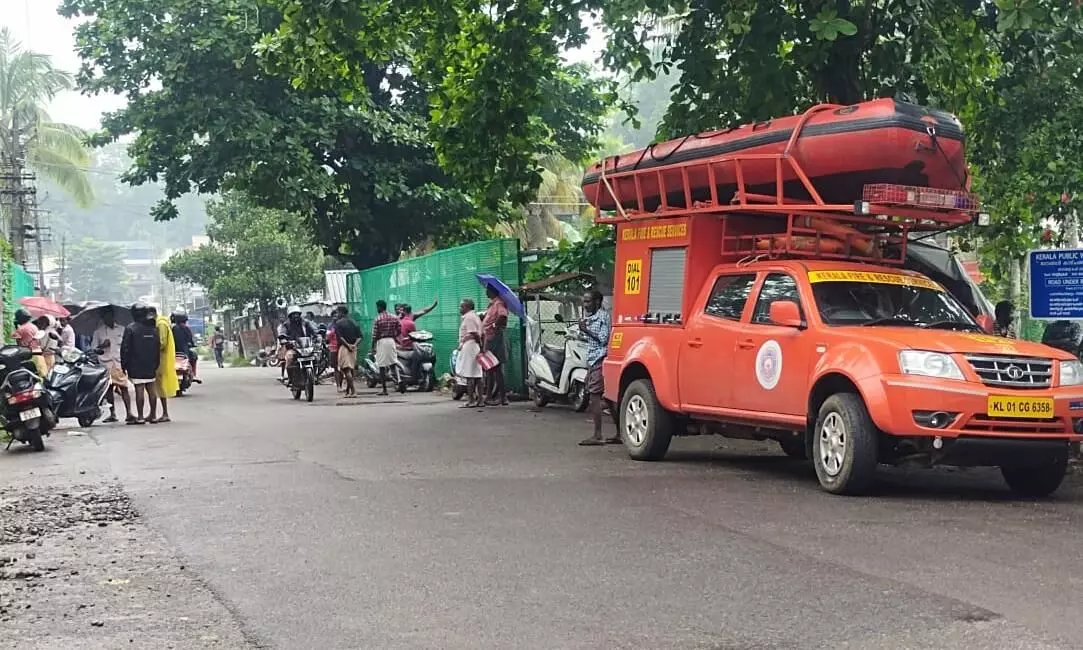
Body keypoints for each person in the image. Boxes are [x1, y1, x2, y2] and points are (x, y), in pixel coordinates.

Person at [577, 290, 618, 446]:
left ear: (598, 302)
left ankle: (598, 435)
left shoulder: (603, 316)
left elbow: (603, 339)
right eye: (584, 301)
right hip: (594, 359)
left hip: (600, 358)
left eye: (588, 301)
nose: (585, 305)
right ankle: (620, 434)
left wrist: (585, 330)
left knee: (595, 396)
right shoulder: (592, 317)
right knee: (608, 398)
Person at [91, 306, 133, 423]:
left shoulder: (122, 329)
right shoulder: (98, 332)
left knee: (124, 387)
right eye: (105, 316)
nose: (107, 318)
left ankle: (129, 412)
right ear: (102, 318)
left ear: (113, 316)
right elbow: (93, 349)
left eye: (109, 316)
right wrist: (102, 346)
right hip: (106, 364)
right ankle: (112, 413)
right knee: (109, 390)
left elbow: (127, 347)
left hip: (119, 363)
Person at [120, 304, 161, 425]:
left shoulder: (131, 328)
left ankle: (141, 416)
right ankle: (153, 415)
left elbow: (125, 348)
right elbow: (157, 347)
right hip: (150, 363)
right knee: (151, 388)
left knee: (140, 388)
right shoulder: (153, 328)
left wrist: (124, 364)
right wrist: (156, 363)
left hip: (135, 363)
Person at [396, 299, 438, 383]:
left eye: (400, 309)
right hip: (403, 346)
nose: (399, 311)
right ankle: (412, 377)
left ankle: (420, 376)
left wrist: (433, 306)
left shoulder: (410, 317)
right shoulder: (397, 319)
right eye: (398, 309)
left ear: (404, 311)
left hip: (412, 345)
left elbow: (424, 311)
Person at [481, 284, 509, 406]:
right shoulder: (492, 304)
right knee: (491, 368)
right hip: (490, 337)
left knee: (494, 367)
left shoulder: (498, 304)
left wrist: (493, 326)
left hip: (494, 338)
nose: (486, 293)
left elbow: (503, 316)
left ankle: (499, 397)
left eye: (488, 290)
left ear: (493, 292)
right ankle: (493, 396)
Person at [150, 306, 178, 422]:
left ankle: (164, 413)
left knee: (159, 386)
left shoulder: (161, 324)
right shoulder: (161, 323)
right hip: (159, 359)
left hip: (161, 359)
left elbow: (162, 343)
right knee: (156, 386)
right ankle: (153, 413)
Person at [277, 306, 318, 384]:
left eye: (297, 314)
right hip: (293, 347)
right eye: (293, 314)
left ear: (299, 314)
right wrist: (284, 340)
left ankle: (314, 375)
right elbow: (282, 334)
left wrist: (317, 337)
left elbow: (314, 331)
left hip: (306, 346)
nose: (295, 316)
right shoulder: (286, 325)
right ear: (290, 316)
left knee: (315, 357)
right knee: (289, 358)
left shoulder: (306, 322)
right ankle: (290, 378)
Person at [455, 298, 484, 407]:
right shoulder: (474, 316)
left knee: (470, 375)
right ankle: (480, 400)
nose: (460, 308)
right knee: (477, 374)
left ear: (467, 307)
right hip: (473, 346)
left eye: (462, 306)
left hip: (470, 346)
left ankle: (471, 400)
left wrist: (479, 342)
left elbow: (474, 333)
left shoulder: (469, 318)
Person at [371, 300, 401, 395]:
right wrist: (394, 336)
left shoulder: (378, 319)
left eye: (377, 307)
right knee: (393, 363)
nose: (376, 309)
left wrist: (373, 347)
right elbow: (399, 329)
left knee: (382, 366)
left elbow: (374, 335)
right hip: (391, 341)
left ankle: (384, 390)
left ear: (380, 307)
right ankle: (399, 380)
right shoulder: (394, 317)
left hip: (382, 341)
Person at [333, 308, 362, 397]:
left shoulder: (338, 323)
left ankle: (353, 391)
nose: (337, 315)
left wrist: (347, 345)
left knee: (346, 370)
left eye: (338, 312)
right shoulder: (354, 322)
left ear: (341, 313)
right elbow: (360, 337)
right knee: (351, 369)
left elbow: (340, 338)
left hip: (344, 347)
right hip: (354, 348)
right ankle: (348, 391)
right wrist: (354, 345)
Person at [171, 309, 202, 383]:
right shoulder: (185, 328)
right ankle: (194, 374)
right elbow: (190, 339)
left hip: (172, 352)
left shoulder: (171, 327)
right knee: (194, 356)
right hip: (184, 352)